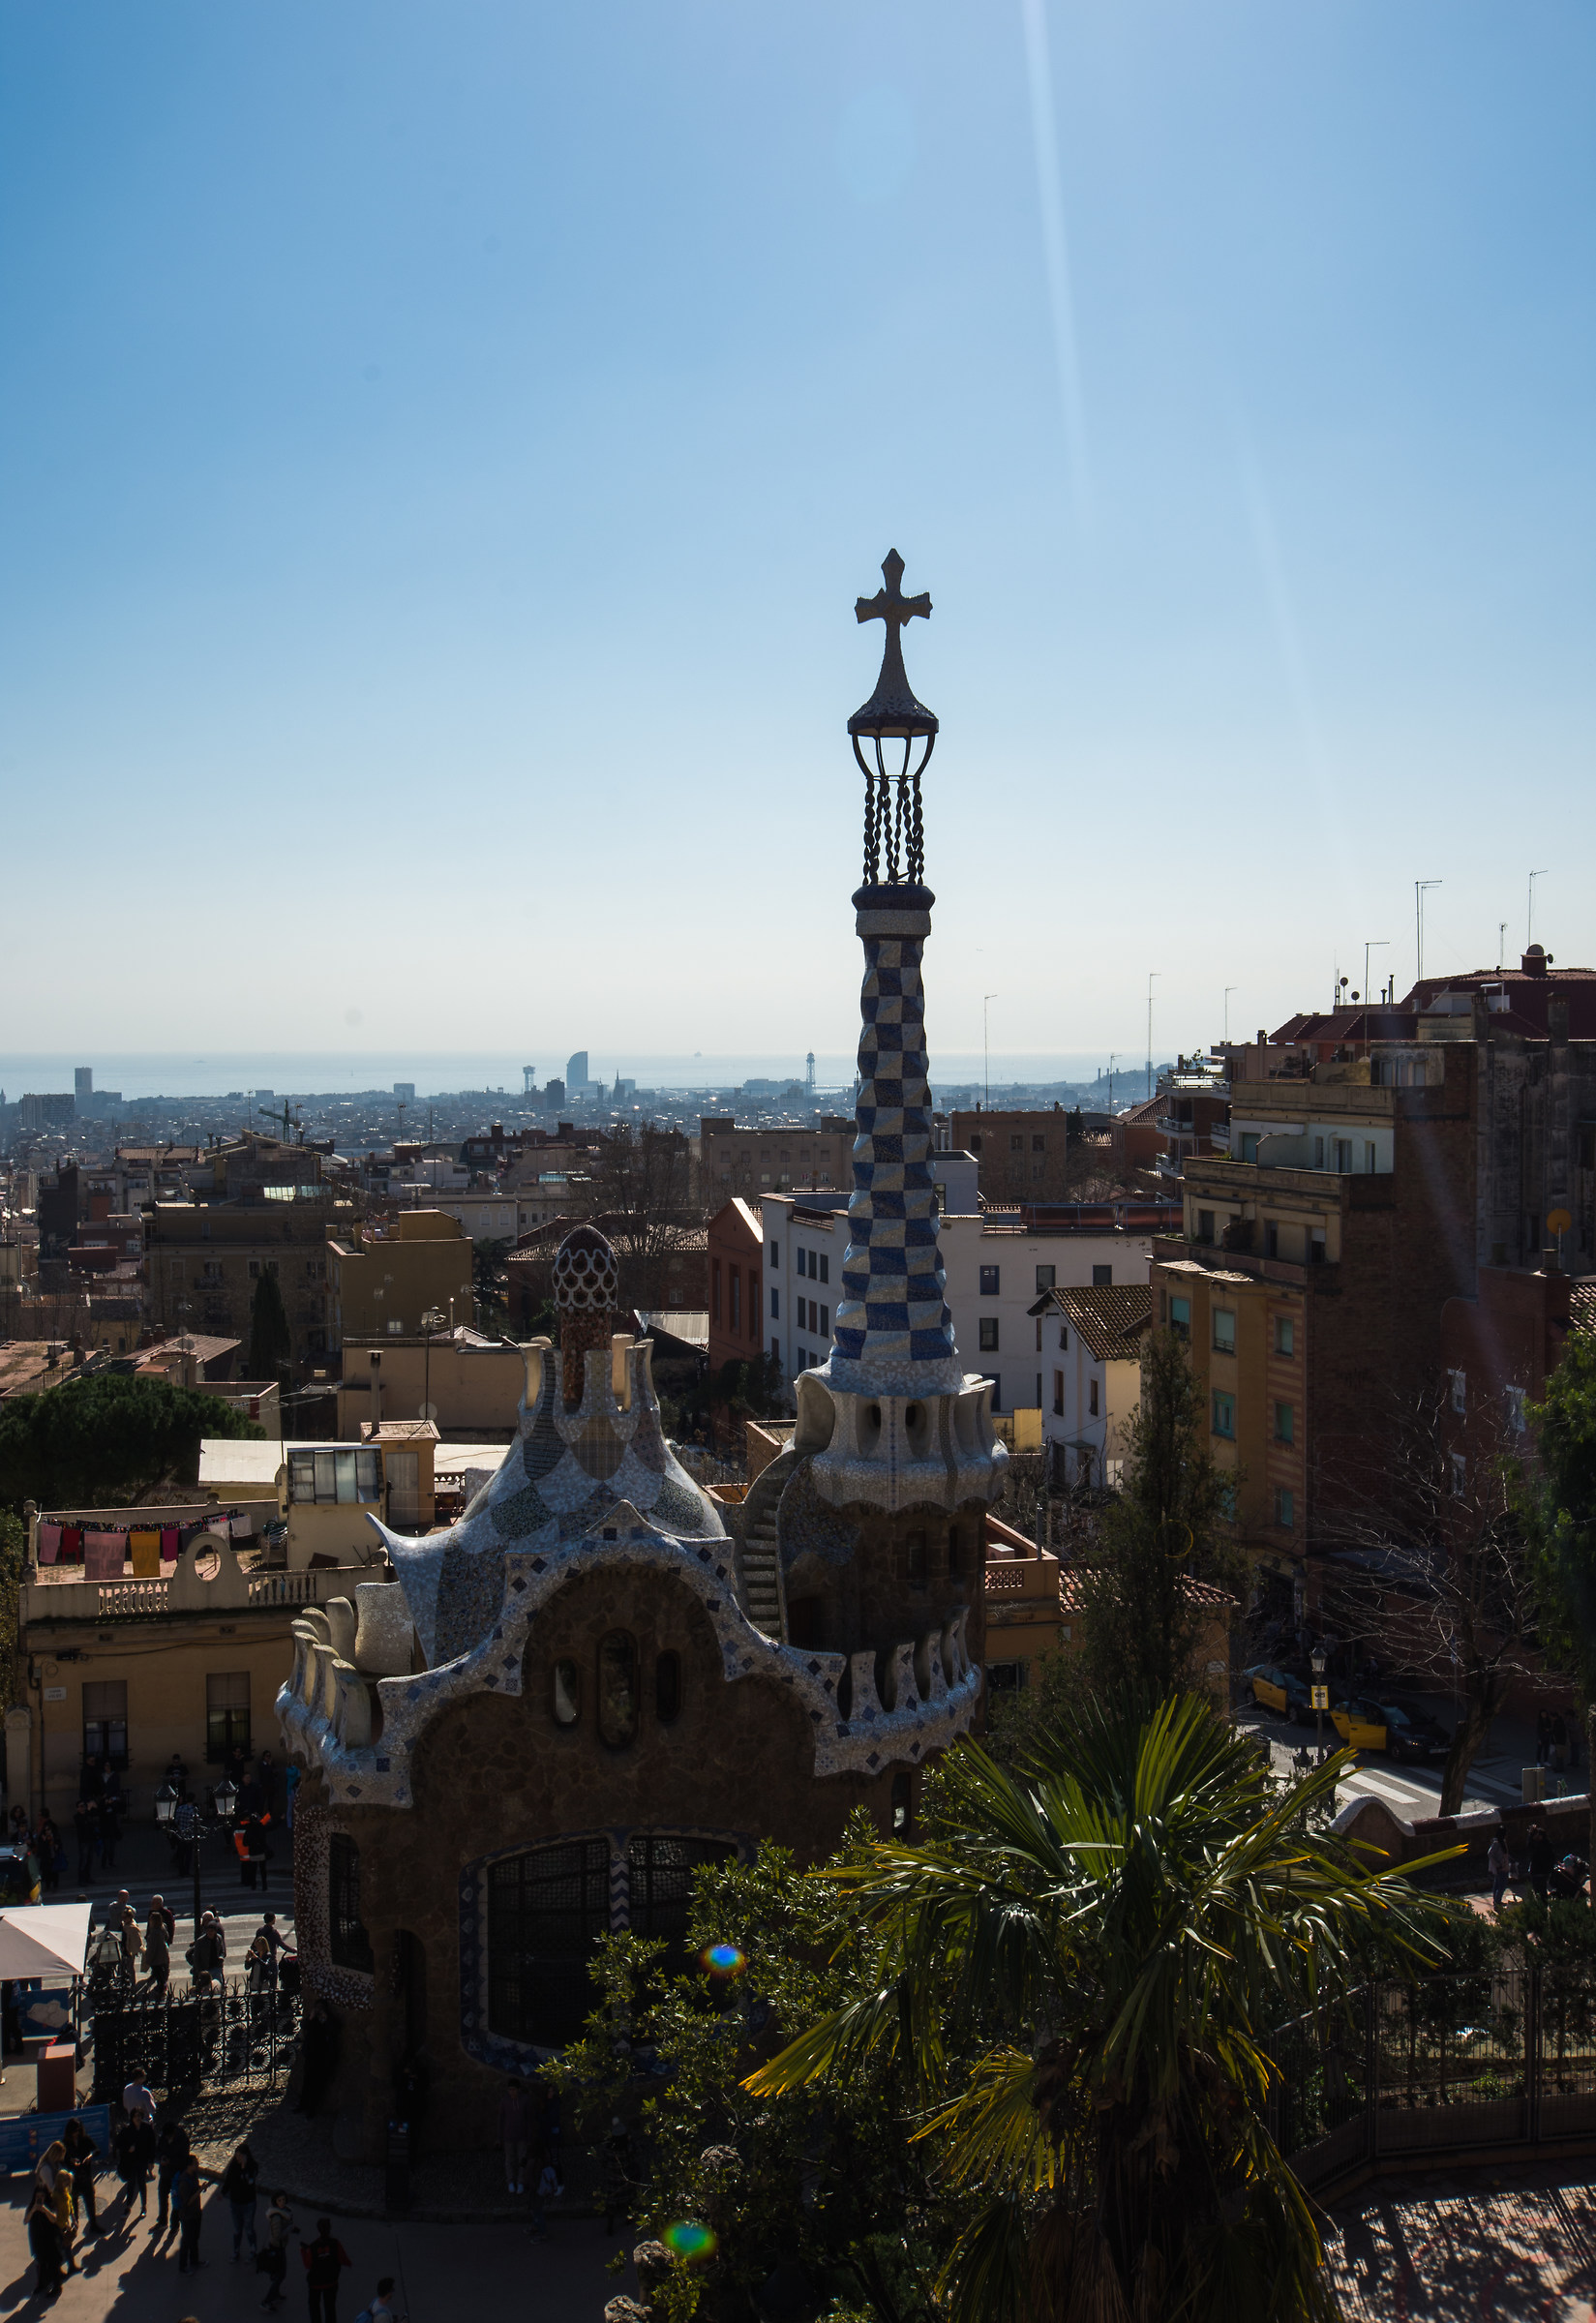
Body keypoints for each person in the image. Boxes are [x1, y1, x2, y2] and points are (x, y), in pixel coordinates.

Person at [301, 2217, 351, 2323]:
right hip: (331, 2281)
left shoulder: (313, 2246)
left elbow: (308, 2265)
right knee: (330, 2308)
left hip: (316, 2282)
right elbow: (343, 2259)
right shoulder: (335, 2243)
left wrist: (303, 2251)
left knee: (314, 2306)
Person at [173, 2150, 217, 2274]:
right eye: (195, 2163)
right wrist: (199, 2190)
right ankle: (183, 2266)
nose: (197, 2164)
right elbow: (187, 2201)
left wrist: (200, 2188)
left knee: (194, 2238)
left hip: (196, 2213)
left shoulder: (193, 2176)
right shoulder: (184, 2182)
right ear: (189, 2165)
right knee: (187, 2241)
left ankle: (194, 2260)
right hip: (188, 2216)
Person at [296, 1999, 340, 2116]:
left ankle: (311, 2109)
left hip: (321, 2055)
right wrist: (311, 2017)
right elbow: (304, 2025)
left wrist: (325, 2018)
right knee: (307, 2081)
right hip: (311, 2053)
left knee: (317, 2084)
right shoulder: (313, 2019)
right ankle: (302, 2105)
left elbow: (333, 2029)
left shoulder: (328, 2019)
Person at [113, 2110, 157, 2221]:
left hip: (142, 2160)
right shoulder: (127, 2130)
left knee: (142, 2183)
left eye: (139, 2116)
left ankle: (144, 2207)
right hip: (131, 2161)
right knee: (131, 2183)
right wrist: (128, 2148)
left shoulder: (146, 2129)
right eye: (135, 2116)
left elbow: (152, 2145)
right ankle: (128, 2207)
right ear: (132, 2118)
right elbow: (118, 2143)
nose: (137, 2118)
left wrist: (151, 2161)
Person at [27, 2177, 67, 2299]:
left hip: (50, 2240)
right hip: (38, 2239)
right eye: (38, 2196)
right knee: (41, 2263)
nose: (40, 2198)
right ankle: (42, 2284)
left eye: (42, 2196)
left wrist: (44, 2210)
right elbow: (26, 2220)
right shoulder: (32, 2207)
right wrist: (34, 2210)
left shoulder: (50, 2205)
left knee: (53, 2264)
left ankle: (57, 2287)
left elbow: (54, 2219)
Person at [63, 2116, 102, 2236]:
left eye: (78, 2131)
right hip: (73, 2177)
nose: (76, 2134)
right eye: (74, 2131)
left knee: (90, 2200)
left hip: (85, 2175)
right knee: (73, 2202)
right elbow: (60, 2159)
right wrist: (70, 2161)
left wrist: (90, 2156)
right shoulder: (65, 2143)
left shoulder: (85, 2140)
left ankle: (93, 2225)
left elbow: (97, 2150)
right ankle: (75, 2224)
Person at [154, 2115, 192, 2241]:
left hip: (177, 2175)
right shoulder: (163, 2137)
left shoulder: (182, 2140)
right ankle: (162, 2221)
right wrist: (161, 2158)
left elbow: (184, 2159)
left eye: (169, 2137)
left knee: (176, 2202)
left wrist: (170, 2161)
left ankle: (174, 2226)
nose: (167, 2139)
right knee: (162, 2196)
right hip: (165, 2173)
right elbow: (158, 2150)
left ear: (173, 2133)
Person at [222, 2140, 259, 2261]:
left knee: (249, 2228)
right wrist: (223, 2192)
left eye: (240, 2156)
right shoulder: (233, 2166)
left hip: (248, 2203)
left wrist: (244, 2168)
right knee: (237, 2229)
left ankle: (253, 2250)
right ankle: (236, 2250)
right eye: (236, 2156)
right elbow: (229, 2180)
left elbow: (249, 2183)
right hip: (235, 2202)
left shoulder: (252, 2167)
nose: (237, 2158)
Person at [258, 2188, 296, 2310]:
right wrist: (289, 2229)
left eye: (284, 2200)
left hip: (280, 2246)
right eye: (279, 2200)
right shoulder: (277, 2217)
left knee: (280, 2274)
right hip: (277, 2247)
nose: (282, 2202)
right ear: (275, 2201)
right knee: (281, 2275)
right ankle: (267, 2300)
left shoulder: (284, 2213)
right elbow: (277, 2235)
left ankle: (275, 2294)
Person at [499, 2074, 530, 2194]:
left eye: (513, 2089)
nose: (511, 2092)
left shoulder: (524, 2100)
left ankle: (520, 2182)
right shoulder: (505, 2101)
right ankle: (511, 2181)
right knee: (509, 2159)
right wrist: (499, 2136)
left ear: (518, 2090)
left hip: (521, 2135)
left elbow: (528, 2118)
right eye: (509, 2090)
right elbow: (501, 2119)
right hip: (509, 2136)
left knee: (521, 2159)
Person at [146, 1895, 173, 1997]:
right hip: (163, 1953)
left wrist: (148, 1959)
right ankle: (162, 1986)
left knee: (159, 1972)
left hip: (157, 1956)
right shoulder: (162, 1928)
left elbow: (152, 1948)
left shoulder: (155, 1933)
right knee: (162, 1971)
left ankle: (161, 1989)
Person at [74, 1797, 100, 1886]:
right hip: (83, 1841)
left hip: (91, 1839)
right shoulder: (77, 1817)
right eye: (81, 1806)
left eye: (84, 1806)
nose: (83, 1808)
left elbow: (94, 1820)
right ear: (77, 1808)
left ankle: (88, 1877)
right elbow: (82, 1823)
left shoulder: (88, 1815)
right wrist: (88, 1810)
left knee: (90, 1860)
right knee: (83, 1860)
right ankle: (81, 1879)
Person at [1528, 1824, 1556, 1899]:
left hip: (1540, 1871)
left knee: (1541, 1891)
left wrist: (1531, 1835)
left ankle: (1543, 1905)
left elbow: (1531, 1846)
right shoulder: (1545, 1844)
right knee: (1540, 1891)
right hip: (1540, 1871)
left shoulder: (1543, 1846)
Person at [37, 1812, 63, 1893]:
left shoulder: (55, 1836)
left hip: (54, 1857)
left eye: (49, 1829)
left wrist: (57, 1845)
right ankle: (47, 1886)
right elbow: (41, 1848)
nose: (47, 1831)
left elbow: (60, 1844)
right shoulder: (42, 1837)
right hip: (46, 1858)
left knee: (55, 1872)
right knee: (47, 1872)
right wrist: (44, 1841)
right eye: (46, 1830)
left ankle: (55, 1886)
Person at [1489, 1829, 1512, 1912]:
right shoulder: (1497, 1844)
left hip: (1503, 1867)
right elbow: (1490, 1854)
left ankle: (1497, 1901)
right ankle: (1497, 1902)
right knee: (1501, 1886)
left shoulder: (1502, 1842)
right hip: (1501, 1868)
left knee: (1498, 1884)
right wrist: (1498, 1865)